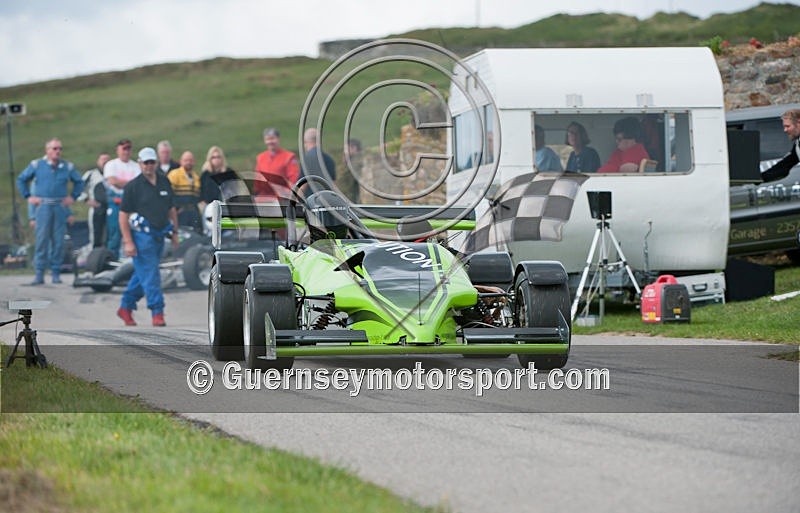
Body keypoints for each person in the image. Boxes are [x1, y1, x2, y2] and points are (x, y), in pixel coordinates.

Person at [117, 147, 179, 327]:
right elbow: (123, 216)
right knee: (151, 274)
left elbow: (171, 209)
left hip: (160, 235)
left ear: (156, 163)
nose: (149, 166)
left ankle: (125, 307)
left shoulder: (164, 182)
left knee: (143, 273)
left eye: (152, 162)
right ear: (139, 163)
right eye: (146, 162)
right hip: (141, 237)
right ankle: (157, 311)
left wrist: (175, 233)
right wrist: (128, 242)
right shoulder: (132, 187)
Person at [16, 138, 83, 285]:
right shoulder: (37, 165)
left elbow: (79, 182)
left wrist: (72, 197)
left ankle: (56, 272)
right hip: (43, 206)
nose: (57, 151)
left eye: (59, 148)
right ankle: (39, 273)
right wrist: (28, 196)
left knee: (58, 241)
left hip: (59, 206)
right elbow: (21, 179)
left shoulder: (67, 167)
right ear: (47, 150)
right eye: (54, 148)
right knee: (42, 240)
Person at [104, 139, 141, 255]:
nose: (126, 151)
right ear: (117, 150)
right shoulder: (111, 165)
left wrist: (124, 184)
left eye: (128, 148)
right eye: (123, 148)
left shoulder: (136, 166)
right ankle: (112, 260)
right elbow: (113, 181)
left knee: (133, 234)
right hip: (116, 202)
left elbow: (139, 184)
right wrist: (130, 184)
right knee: (115, 234)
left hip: (132, 204)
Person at [254, 128, 299, 199]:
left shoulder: (289, 157)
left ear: (278, 139)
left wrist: (286, 195)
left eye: (272, 139)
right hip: (264, 199)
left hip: (282, 199)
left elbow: (293, 180)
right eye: (267, 139)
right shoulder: (260, 157)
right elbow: (257, 181)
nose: (270, 142)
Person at [78, 152, 111, 247]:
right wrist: (87, 200)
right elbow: (78, 189)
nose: (105, 162)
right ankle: (96, 257)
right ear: (98, 161)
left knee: (111, 235)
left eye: (107, 160)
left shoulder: (114, 174)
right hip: (97, 210)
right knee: (96, 235)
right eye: (103, 159)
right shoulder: (91, 174)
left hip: (112, 208)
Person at [167, 151, 202, 232]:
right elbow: (168, 193)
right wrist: (175, 208)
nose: (188, 162)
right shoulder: (174, 174)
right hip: (180, 212)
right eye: (186, 160)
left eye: (190, 160)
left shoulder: (196, 177)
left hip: (193, 212)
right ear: (181, 161)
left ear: (194, 162)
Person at [761, 108, 800, 182]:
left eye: (788, 126)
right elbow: (784, 165)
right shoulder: (798, 144)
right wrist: (760, 178)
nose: (785, 130)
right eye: (784, 127)